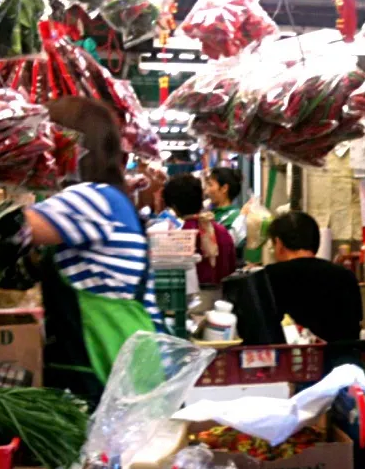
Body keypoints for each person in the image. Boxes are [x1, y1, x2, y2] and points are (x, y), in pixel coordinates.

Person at [23, 97, 163, 404]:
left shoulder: (91, 199)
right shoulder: (112, 198)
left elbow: (12, 229)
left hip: (104, 373)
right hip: (126, 371)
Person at [265, 212, 363, 370]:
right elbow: (354, 330)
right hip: (343, 371)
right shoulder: (345, 276)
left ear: (278, 244)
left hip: (291, 372)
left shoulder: (267, 277)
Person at [162, 173, 237, 285]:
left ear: (174, 206)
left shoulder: (178, 236)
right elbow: (232, 270)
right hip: (223, 299)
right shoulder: (222, 232)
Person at [206, 167, 246, 248]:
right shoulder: (211, 212)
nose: (207, 191)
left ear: (224, 188)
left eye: (210, 185)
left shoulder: (235, 217)